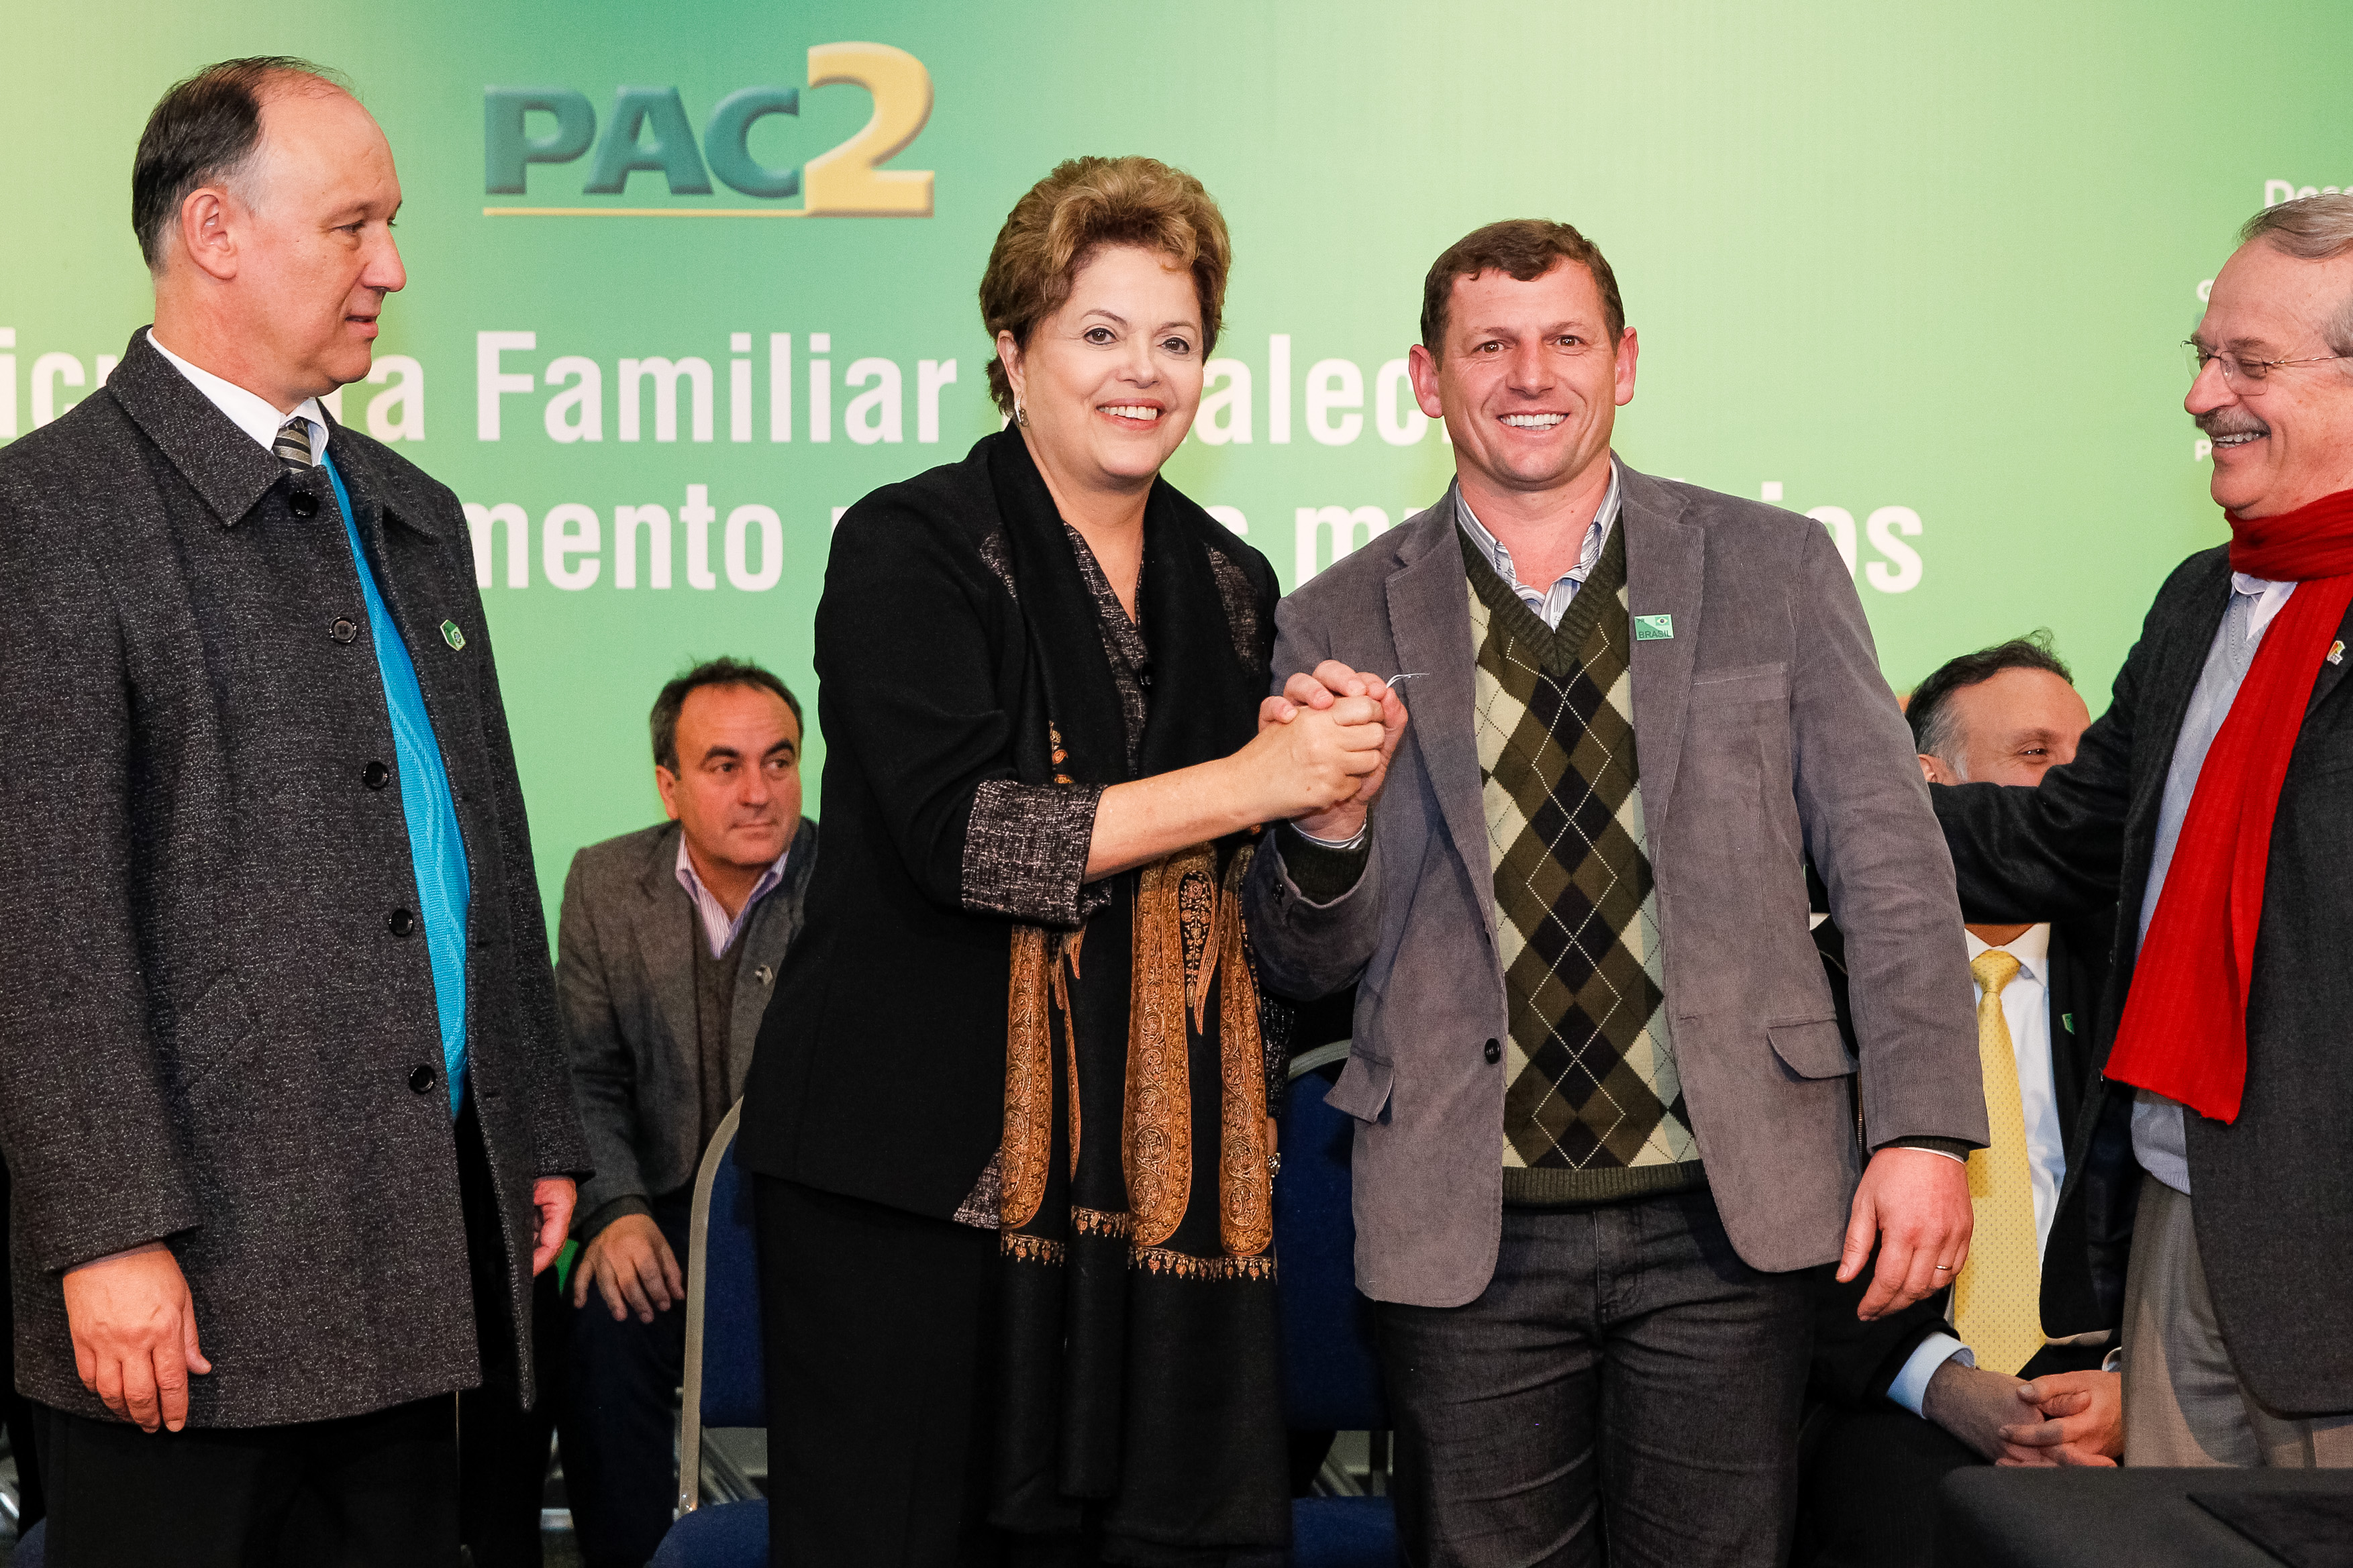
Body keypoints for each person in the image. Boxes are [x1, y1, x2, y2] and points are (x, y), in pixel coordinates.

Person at [1242, 218, 1984, 1567]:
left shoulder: (1773, 567)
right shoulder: (1334, 617)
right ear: (1425, 379)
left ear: (1624, 362)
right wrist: (1328, 832)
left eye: (1565, 339)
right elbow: (1301, 960)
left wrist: (1924, 1128)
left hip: (1731, 1216)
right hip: (1462, 1228)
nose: (1531, 374)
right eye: (1490, 344)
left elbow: (1891, 870)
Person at [734, 154, 1399, 1566]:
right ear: (1012, 349)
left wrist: (1328, 814)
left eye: (1177, 340)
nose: (1141, 373)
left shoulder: (1233, 584)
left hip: (1147, 1208)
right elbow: (967, 839)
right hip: (903, 1182)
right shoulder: (909, 544)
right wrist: (1248, 780)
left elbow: (1269, 939)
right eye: (1100, 332)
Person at [0, 58, 588, 1563]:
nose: (392, 267)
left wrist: (530, 1119)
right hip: (191, 1283)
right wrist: (108, 1229)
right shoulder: (48, 514)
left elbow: (480, 839)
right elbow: (42, 921)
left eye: (390, 225)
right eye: (352, 226)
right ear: (215, 231)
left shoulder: (413, 510)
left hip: (421, 1239)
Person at [1930, 193, 2353, 1467]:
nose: (2200, 395)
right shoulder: (2199, 599)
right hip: (2176, 1214)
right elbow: (2059, 841)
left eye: (2249, 363)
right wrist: (1803, 794)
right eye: (2202, 355)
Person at [1797, 635, 2131, 1568]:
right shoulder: (1813, 985)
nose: (2074, 791)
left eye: (2090, 762)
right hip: (1883, 1391)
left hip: (2113, 1393)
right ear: (1925, 784)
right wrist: (1941, 1383)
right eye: (2035, 754)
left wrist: (2136, 1385)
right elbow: (1773, 1246)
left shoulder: (2141, 985)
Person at [555, 658, 815, 1568]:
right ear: (669, 785)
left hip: (807, 1208)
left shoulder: (852, 882)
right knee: (601, 1325)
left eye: (779, 761)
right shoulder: (603, 882)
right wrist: (615, 1211)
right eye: (724, 765)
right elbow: (583, 1075)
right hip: (662, 1209)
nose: (758, 792)